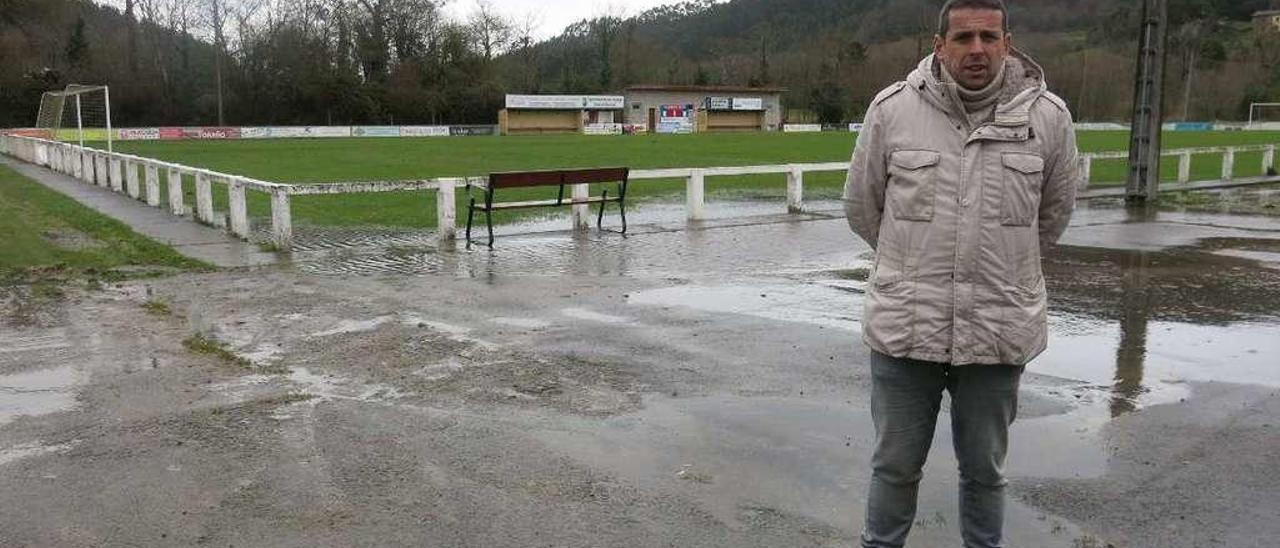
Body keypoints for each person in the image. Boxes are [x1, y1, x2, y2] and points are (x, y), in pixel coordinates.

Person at [841, 0, 1080, 546]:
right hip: (906, 330)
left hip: (998, 332)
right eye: (965, 37)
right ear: (939, 44)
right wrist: (912, 263)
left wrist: (996, 266)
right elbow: (863, 207)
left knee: (985, 473)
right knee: (894, 469)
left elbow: (1053, 217)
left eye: (989, 37)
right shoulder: (892, 111)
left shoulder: (1048, 119)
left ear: (1008, 42)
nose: (977, 49)